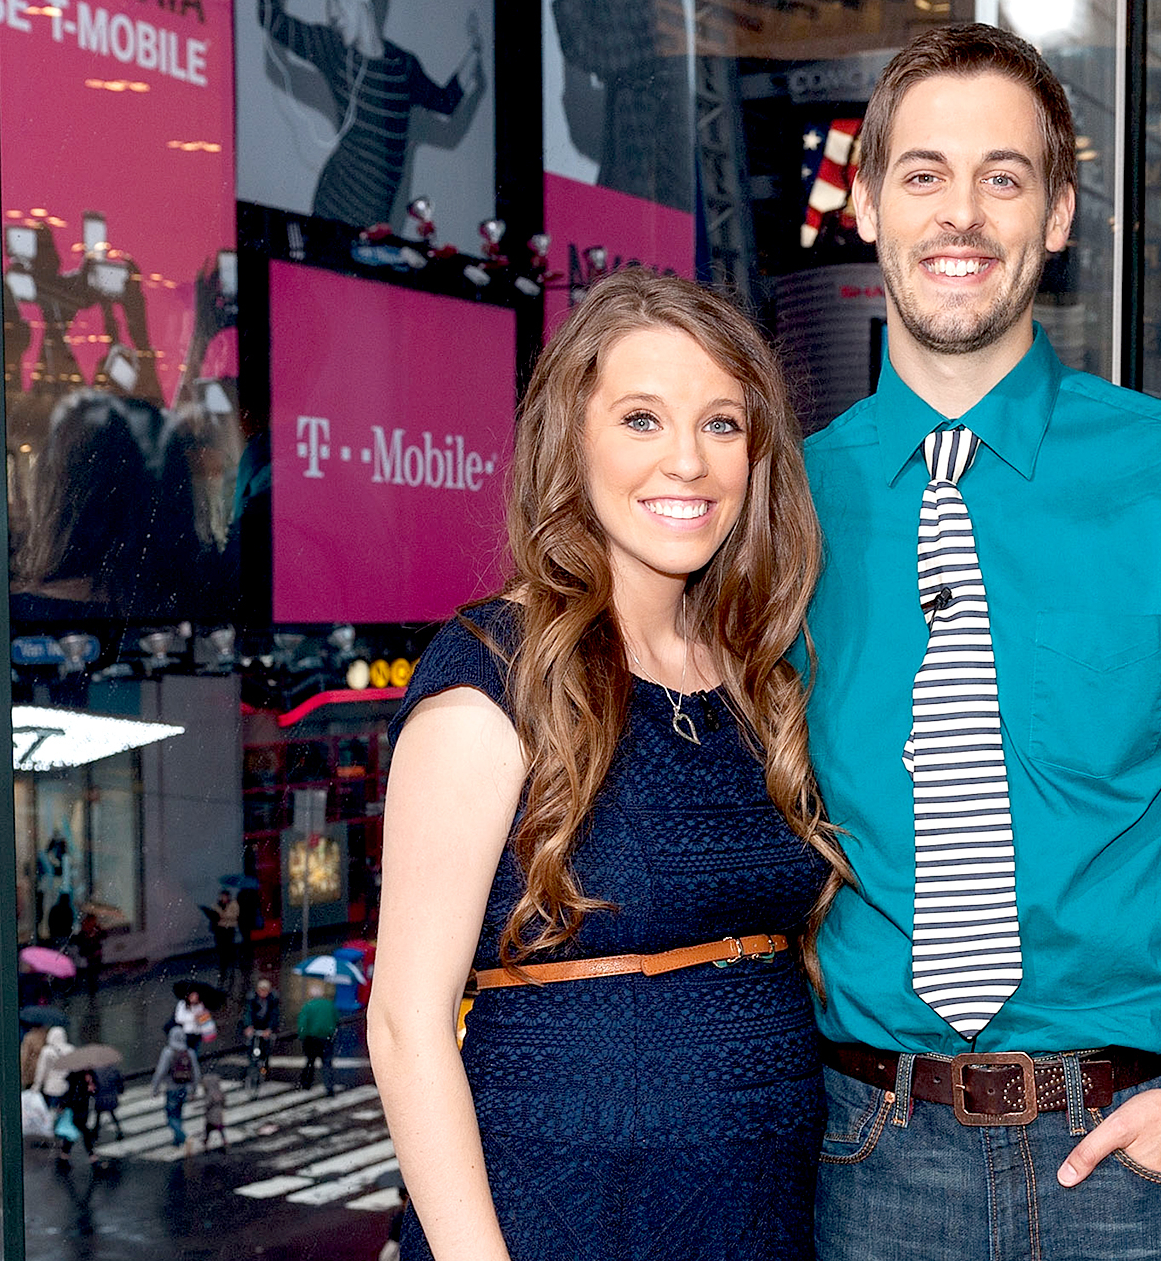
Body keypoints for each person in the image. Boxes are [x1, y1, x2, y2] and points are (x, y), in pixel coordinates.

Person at [801, 25, 1161, 1259]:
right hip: (864, 1157)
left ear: (1057, 217)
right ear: (867, 207)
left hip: (1132, 1163)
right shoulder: (781, 505)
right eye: (924, 173)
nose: (962, 215)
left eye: (1004, 178)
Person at [369, 269, 847, 1261]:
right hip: (558, 1213)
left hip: (758, 1212)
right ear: (569, 443)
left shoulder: (756, 675)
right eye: (641, 418)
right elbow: (407, 1023)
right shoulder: (495, 676)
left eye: (723, 423)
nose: (689, 460)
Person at [256, 0, 485, 230]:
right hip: (335, 207)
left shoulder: (403, 66)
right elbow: (271, 18)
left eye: (337, 1)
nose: (331, 13)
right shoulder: (335, 50)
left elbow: (446, 102)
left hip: (376, 215)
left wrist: (475, 50)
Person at [152, 1025, 201, 1149]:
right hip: (184, 1089)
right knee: (178, 1114)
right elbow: (196, 1072)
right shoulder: (189, 1052)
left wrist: (155, 1087)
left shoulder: (168, 1052)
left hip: (171, 1088)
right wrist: (193, 1090)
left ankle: (183, 1137)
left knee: (170, 1117)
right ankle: (177, 1140)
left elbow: (161, 1071)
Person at [296, 984, 340, 1095]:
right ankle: (329, 1087)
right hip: (327, 1038)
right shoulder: (329, 1005)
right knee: (327, 1063)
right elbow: (336, 1019)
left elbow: (303, 1023)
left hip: (312, 1038)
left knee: (310, 1061)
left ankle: (306, 1084)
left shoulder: (308, 1006)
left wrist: (302, 1036)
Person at [54, 1067, 100, 1169]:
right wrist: (85, 1088)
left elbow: (96, 1090)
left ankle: (64, 1157)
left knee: (73, 1134)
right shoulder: (75, 1076)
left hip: (84, 1110)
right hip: (75, 1111)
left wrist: (92, 1087)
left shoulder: (91, 1074)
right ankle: (92, 1157)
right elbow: (72, 1094)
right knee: (84, 1133)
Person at [245, 976, 282, 1087]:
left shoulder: (272, 1000)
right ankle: (251, 1073)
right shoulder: (252, 999)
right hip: (255, 1027)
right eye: (261, 990)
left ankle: (263, 1072)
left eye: (265, 990)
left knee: (265, 1052)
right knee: (252, 1051)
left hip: (265, 1028)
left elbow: (274, 1015)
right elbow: (248, 1013)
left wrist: (270, 1029)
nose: (263, 992)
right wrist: (248, 1026)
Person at [34, 1025, 74, 1112]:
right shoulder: (71, 1049)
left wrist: (37, 1085)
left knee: (52, 1113)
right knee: (66, 1114)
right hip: (68, 1087)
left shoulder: (47, 1051)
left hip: (51, 1087)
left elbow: (42, 1070)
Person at [212, 890, 240, 983]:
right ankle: (223, 966)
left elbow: (234, 915)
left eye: (225, 896)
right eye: (222, 896)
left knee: (229, 946)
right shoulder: (216, 905)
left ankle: (231, 965)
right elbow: (213, 915)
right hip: (220, 929)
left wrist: (222, 916)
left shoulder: (233, 904)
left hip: (229, 928)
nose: (223, 898)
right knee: (221, 947)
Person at [200, 1072, 229, 1150]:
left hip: (211, 1116)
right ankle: (224, 1141)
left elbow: (207, 1104)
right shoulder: (219, 1092)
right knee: (220, 1129)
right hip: (219, 1115)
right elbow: (224, 1102)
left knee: (208, 1129)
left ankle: (206, 1142)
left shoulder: (210, 1093)